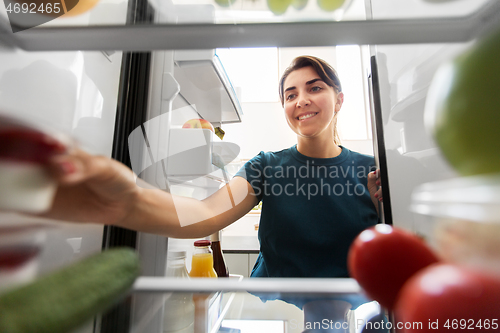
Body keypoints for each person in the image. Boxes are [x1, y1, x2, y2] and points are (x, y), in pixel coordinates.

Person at [41, 55, 382, 279]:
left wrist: (384, 211)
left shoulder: (372, 171)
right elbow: (205, 213)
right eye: (290, 95)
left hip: (348, 313)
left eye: (315, 88)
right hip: (268, 310)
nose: (301, 100)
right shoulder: (266, 166)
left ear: (338, 99)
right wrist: (124, 201)